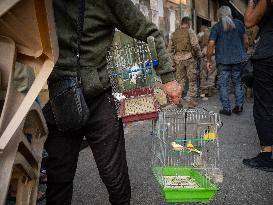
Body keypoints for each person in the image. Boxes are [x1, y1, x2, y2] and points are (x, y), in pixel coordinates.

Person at [44, 0, 182, 205]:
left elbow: (148, 32)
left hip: (100, 97)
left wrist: (168, 77)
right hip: (59, 95)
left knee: (114, 176)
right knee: (58, 178)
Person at [243, 0, 273, 172]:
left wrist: (251, 2)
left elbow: (249, 21)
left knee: (264, 105)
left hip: (268, 55)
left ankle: (266, 156)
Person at [207, 6, 248, 116]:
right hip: (238, 59)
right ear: (230, 14)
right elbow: (246, 41)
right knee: (238, 83)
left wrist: (208, 60)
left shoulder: (216, 27)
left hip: (223, 61)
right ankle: (239, 106)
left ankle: (227, 109)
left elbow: (211, 44)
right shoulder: (239, 24)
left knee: (223, 85)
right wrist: (243, 52)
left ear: (218, 15)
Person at [168, 17, 202, 108]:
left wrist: (172, 62)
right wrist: (199, 55)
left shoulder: (174, 34)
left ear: (182, 23)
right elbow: (195, 44)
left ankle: (177, 100)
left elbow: (170, 50)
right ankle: (192, 102)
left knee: (180, 81)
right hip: (189, 58)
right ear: (189, 23)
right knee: (192, 81)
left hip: (178, 60)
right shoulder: (190, 31)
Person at [198, 26, 217, 98]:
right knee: (212, 73)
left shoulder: (203, 34)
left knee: (203, 73)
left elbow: (198, 43)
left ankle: (204, 90)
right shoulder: (214, 34)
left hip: (204, 54)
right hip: (213, 55)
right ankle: (210, 90)